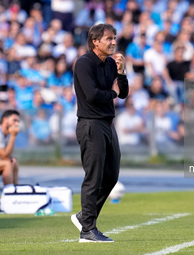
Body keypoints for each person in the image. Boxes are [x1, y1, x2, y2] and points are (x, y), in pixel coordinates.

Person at [71, 23, 129, 243]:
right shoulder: (84, 63)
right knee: (93, 178)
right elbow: (94, 95)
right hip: (90, 125)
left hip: (106, 124)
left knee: (111, 176)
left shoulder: (110, 63)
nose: (113, 42)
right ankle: (88, 230)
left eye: (114, 38)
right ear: (95, 41)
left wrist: (122, 72)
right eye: (109, 39)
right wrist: (113, 92)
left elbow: (123, 93)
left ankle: (84, 217)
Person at [0, 110, 20, 187]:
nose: (17, 124)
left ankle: (16, 191)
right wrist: (13, 136)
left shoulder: (4, 134)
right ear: (5, 119)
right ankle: (10, 193)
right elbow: (5, 156)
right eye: (14, 120)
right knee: (7, 164)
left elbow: (7, 156)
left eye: (18, 121)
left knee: (13, 162)